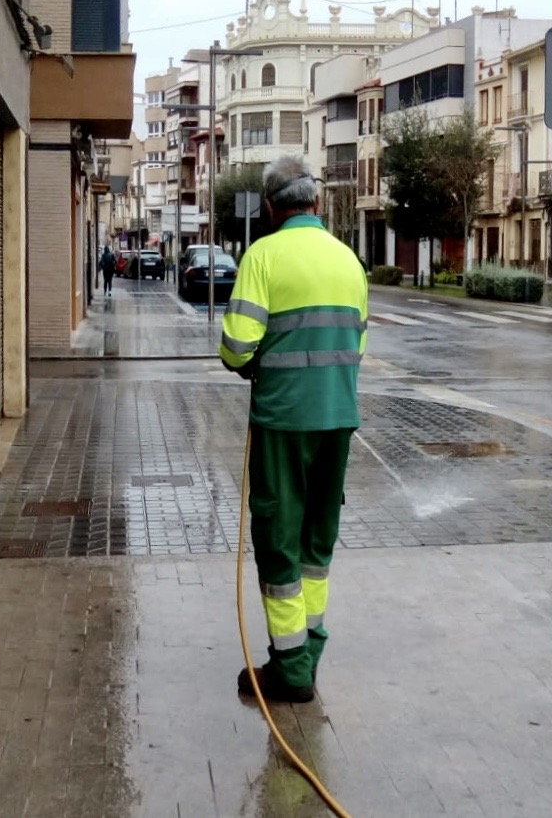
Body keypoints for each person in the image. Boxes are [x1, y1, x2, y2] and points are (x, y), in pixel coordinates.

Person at [220, 155, 368, 703]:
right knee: (315, 542)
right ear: (319, 202)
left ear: (269, 207)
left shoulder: (263, 255)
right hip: (339, 418)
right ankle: (309, 650)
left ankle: (290, 670)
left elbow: (236, 346)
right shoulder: (349, 261)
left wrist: (254, 363)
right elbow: (358, 343)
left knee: (279, 541)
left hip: (283, 419)